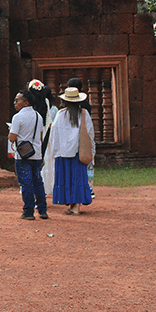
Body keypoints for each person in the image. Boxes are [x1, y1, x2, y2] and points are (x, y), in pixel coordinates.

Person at [43, 86, 95, 215]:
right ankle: (75, 206)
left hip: (63, 152)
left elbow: (54, 134)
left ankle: (72, 205)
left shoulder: (61, 115)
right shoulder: (83, 113)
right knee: (78, 177)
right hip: (78, 152)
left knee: (66, 178)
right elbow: (89, 133)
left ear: (65, 101)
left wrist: (54, 151)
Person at [9, 88, 47, 220]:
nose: (14, 103)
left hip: (23, 155)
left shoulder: (17, 117)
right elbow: (40, 137)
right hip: (36, 153)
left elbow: (12, 138)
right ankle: (42, 210)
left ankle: (28, 211)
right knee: (37, 182)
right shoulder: (38, 116)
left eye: (17, 100)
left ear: (25, 103)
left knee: (26, 183)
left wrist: (11, 131)